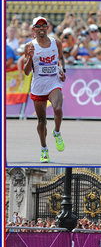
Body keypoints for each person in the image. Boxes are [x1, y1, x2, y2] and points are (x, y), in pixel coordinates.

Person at [23, 16, 66, 163]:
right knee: (42, 121)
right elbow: (26, 72)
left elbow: (59, 59)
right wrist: (29, 58)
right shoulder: (29, 46)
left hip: (53, 82)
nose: (41, 28)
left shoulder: (56, 43)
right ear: (34, 29)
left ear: (47, 28)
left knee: (58, 108)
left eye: (44, 26)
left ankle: (57, 132)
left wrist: (62, 70)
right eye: (38, 26)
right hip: (39, 85)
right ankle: (44, 149)